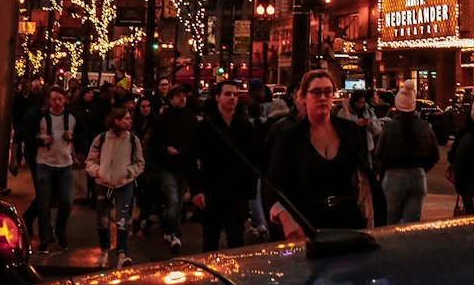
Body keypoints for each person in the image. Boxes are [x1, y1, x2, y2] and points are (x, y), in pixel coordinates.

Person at [266, 66, 384, 236]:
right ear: (304, 97)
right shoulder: (290, 135)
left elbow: (363, 178)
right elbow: (274, 183)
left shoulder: (349, 130)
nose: (322, 97)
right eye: (316, 92)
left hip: (348, 220)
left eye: (328, 92)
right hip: (309, 222)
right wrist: (286, 218)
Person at [191, 81, 259, 250]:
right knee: (210, 241)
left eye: (235, 95)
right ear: (217, 97)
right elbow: (190, 158)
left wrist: (248, 190)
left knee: (236, 238)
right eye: (227, 94)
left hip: (237, 192)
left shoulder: (244, 126)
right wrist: (196, 190)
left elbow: (253, 159)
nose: (232, 98)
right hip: (212, 191)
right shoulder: (206, 125)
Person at [86, 100, 144, 270]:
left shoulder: (133, 140)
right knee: (102, 219)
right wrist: (98, 172)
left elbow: (140, 163)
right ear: (117, 120)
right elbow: (91, 160)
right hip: (104, 183)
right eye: (126, 118)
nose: (130, 121)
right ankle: (104, 250)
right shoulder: (102, 138)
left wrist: (128, 172)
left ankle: (121, 253)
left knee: (122, 219)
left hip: (124, 183)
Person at [374, 81, 439, 224]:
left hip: (394, 176)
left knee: (390, 221)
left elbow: (378, 154)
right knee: (411, 223)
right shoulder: (424, 126)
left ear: (398, 105)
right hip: (417, 177)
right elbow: (435, 155)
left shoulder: (390, 127)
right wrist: (421, 169)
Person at [145, 81, 198, 252]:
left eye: (184, 96)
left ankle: (169, 229)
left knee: (177, 201)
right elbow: (153, 143)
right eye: (179, 96)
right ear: (171, 99)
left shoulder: (190, 118)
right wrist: (165, 149)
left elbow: (195, 139)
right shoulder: (163, 119)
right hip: (167, 166)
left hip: (183, 166)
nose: (182, 99)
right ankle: (175, 233)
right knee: (174, 199)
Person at [27, 86, 78, 256]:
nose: (57, 102)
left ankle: (60, 229)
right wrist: (41, 141)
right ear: (48, 100)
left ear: (65, 100)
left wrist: (73, 139)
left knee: (67, 201)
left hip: (65, 165)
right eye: (54, 99)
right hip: (45, 164)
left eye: (60, 99)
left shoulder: (71, 117)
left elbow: (84, 134)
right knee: (44, 203)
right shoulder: (40, 117)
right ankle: (45, 238)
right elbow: (28, 137)